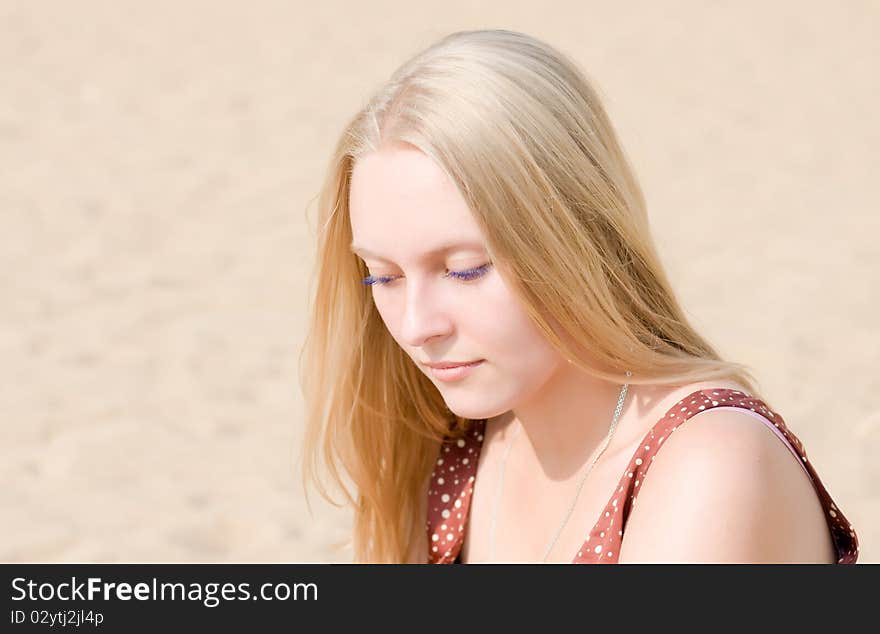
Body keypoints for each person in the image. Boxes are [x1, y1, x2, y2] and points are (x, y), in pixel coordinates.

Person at [299, 29, 859, 564]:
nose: (418, 326)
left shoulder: (707, 465)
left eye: (465, 270)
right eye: (382, 277)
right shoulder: (455, 439)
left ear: (575, 238)